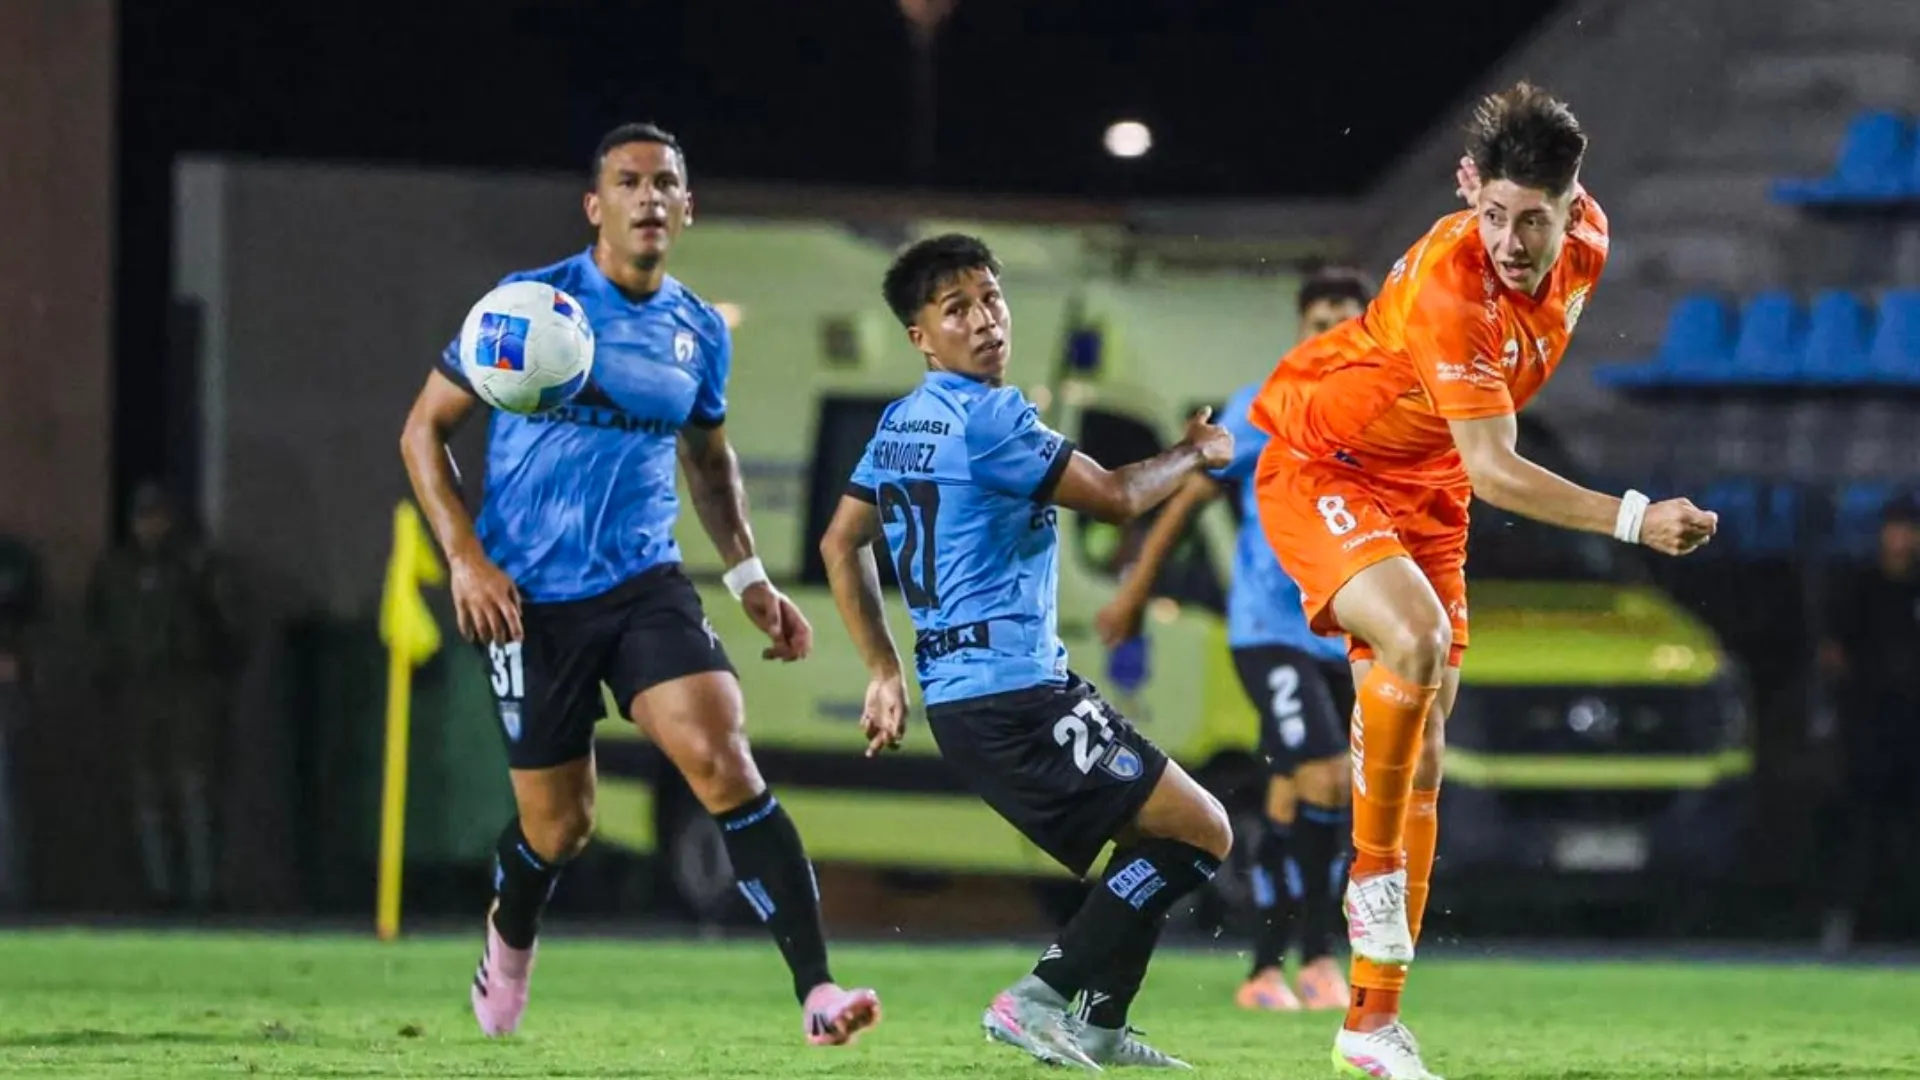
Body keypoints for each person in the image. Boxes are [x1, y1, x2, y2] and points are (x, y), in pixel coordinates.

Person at [1247, 84, 1719, 1079]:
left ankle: (1370, 1027)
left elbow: (1475, 468)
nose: (1508, 238)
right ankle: (1367, 874)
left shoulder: (1589, 238)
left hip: (1431, 487)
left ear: (1570, 204)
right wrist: (1636, 518)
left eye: (1529, 219)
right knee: (1413, 639)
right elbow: (1503, 469)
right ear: (1469, 194)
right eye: (1493, 213)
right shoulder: (1452, 283)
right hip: (1328, 461)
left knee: (1424, 754)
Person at [398, 121, 880, 1046]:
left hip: (643, 586)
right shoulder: (524, 307)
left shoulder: (697, 330)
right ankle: (508, 939)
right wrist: (465, 556)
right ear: (596, 206)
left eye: (666, 182)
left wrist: (746, 576)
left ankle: (818, 994)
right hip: (530, 602)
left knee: (719, 755)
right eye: (629, 181)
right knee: (561, 826)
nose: (649, 196)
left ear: (687, 208)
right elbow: (424, 431)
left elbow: (709, 460)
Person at [818, 233, 1235, 1071]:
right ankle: (1039, 997)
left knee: (1150, 845)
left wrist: (883, 669)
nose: (984, 321)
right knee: (1203, 835)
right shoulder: (989, 417)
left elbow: (839, 542)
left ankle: (1103, 1027)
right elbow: (1116, 500)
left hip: (969, 698)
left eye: (991, 299)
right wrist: (1195, 452)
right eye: (956, 309)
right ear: (921, 337)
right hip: (1015, 693)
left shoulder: (902, 423)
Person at [1095, 267, 1374, 1014]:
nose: (1332, 338)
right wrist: (1133, 591)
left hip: (1343, 633)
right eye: (1320, 324)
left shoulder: (1384, 413)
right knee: (1319, 773)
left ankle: (1279, 967)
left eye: (1346, 323)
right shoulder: (1268, 407)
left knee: (1310, 790)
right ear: (1301, 332)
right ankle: (1302, 960)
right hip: (1269, 630)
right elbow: (1190, 497)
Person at [85, 482, 241, 913]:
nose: (150, 526)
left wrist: (216, 676)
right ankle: (161, 890)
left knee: (197, 792)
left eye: (158, 516)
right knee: (146, 795)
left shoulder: (197, 565)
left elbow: (231, 627)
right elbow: (99, 627)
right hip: (138, 692)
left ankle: (204, 890)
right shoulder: (117, 569)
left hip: (190, 690)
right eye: (143, 517)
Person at [1816, 490, 1920, 954]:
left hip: (1914, 729)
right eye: (1895, 528)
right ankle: (1844, 923)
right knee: (1862, 828)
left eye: (1909, 530)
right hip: (1870, 729)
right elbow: (1833, 656)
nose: (1901, 539)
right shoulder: (1859, 587)